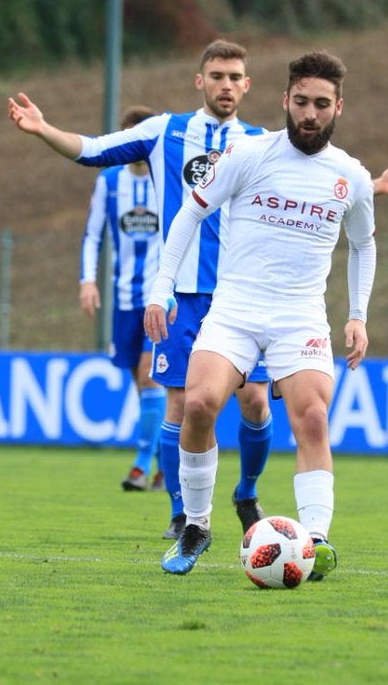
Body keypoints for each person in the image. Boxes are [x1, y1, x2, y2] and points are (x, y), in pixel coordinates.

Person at [8, 40, 388, 542]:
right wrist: (44, 129)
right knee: (184, 406)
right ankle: (184, 517)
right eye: (216, 75)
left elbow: (319, 185)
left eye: (235, 77)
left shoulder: (257, 141)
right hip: (186, 294)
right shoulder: (167, 131)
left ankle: (246, 492)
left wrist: (371, 185)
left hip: (254, 298)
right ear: (200, 80)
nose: (225, 84)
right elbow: (96, 150)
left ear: (249, 86)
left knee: (257, 406)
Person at [144, 50, 372, 580]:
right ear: (284, 100)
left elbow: (364, 245)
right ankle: (196, 525)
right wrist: (162, 290)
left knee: (313, 418)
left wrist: (357, 314)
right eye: (301, 102)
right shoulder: (248, 154)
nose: (309, 114)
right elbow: (189, 214)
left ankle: (314, 542)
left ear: (339, 107)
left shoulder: (351, 177)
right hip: (236, 308)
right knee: (199, 403)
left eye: (321, 104)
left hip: (301, 316)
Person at [78, 105, 166, 492]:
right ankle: (165, 462)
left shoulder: (168, 178)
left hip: (161, 299)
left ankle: (141, 466)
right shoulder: (110, 182)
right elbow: (93, 234)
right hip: (124, 297)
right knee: (139, 380)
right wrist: (87, 280)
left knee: (149, 374)